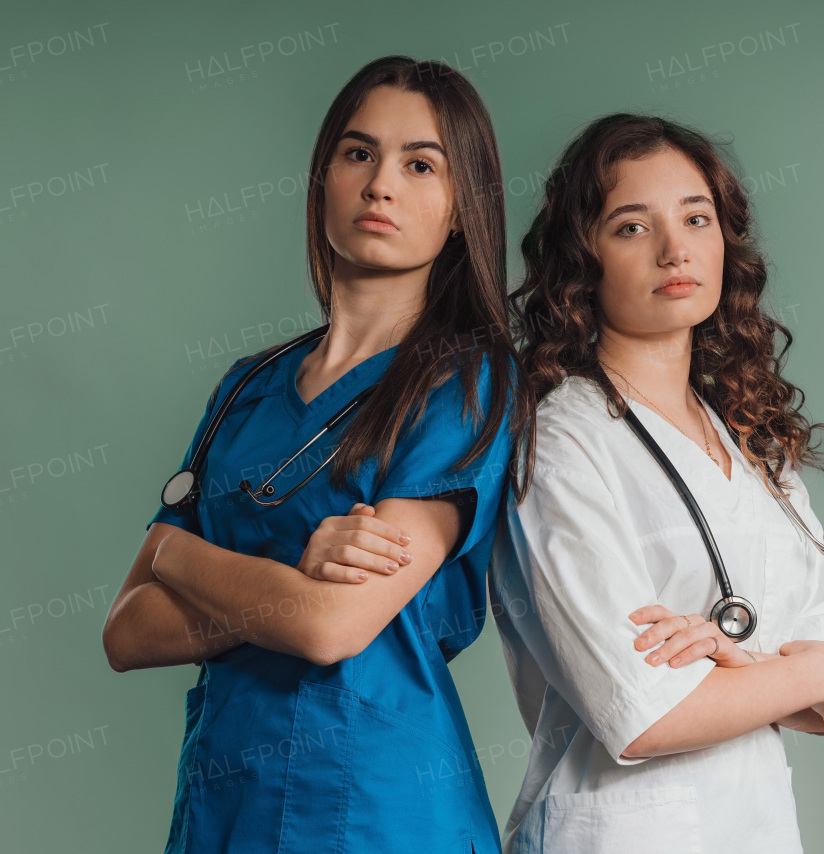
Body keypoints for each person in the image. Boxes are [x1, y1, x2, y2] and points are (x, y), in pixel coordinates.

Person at [101, 56, 527, 853]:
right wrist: (290, 579)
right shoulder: (246, 389)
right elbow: (127, 633)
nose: (381, 186)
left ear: (463, 207)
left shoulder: (467, 383)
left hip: (377, 809)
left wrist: (172, 550)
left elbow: (333, 626)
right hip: (225, 804)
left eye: (420, 164)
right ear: (323, 175)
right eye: (358, 153)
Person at [489, 113, 824, 853]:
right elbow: (642, 714)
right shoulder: (562, 439)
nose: (675, 249)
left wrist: (742, 663)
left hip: (756, 827)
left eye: (696, 218)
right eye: (632, 227)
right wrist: (804, 668)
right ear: (582, 258)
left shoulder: (752, 437)